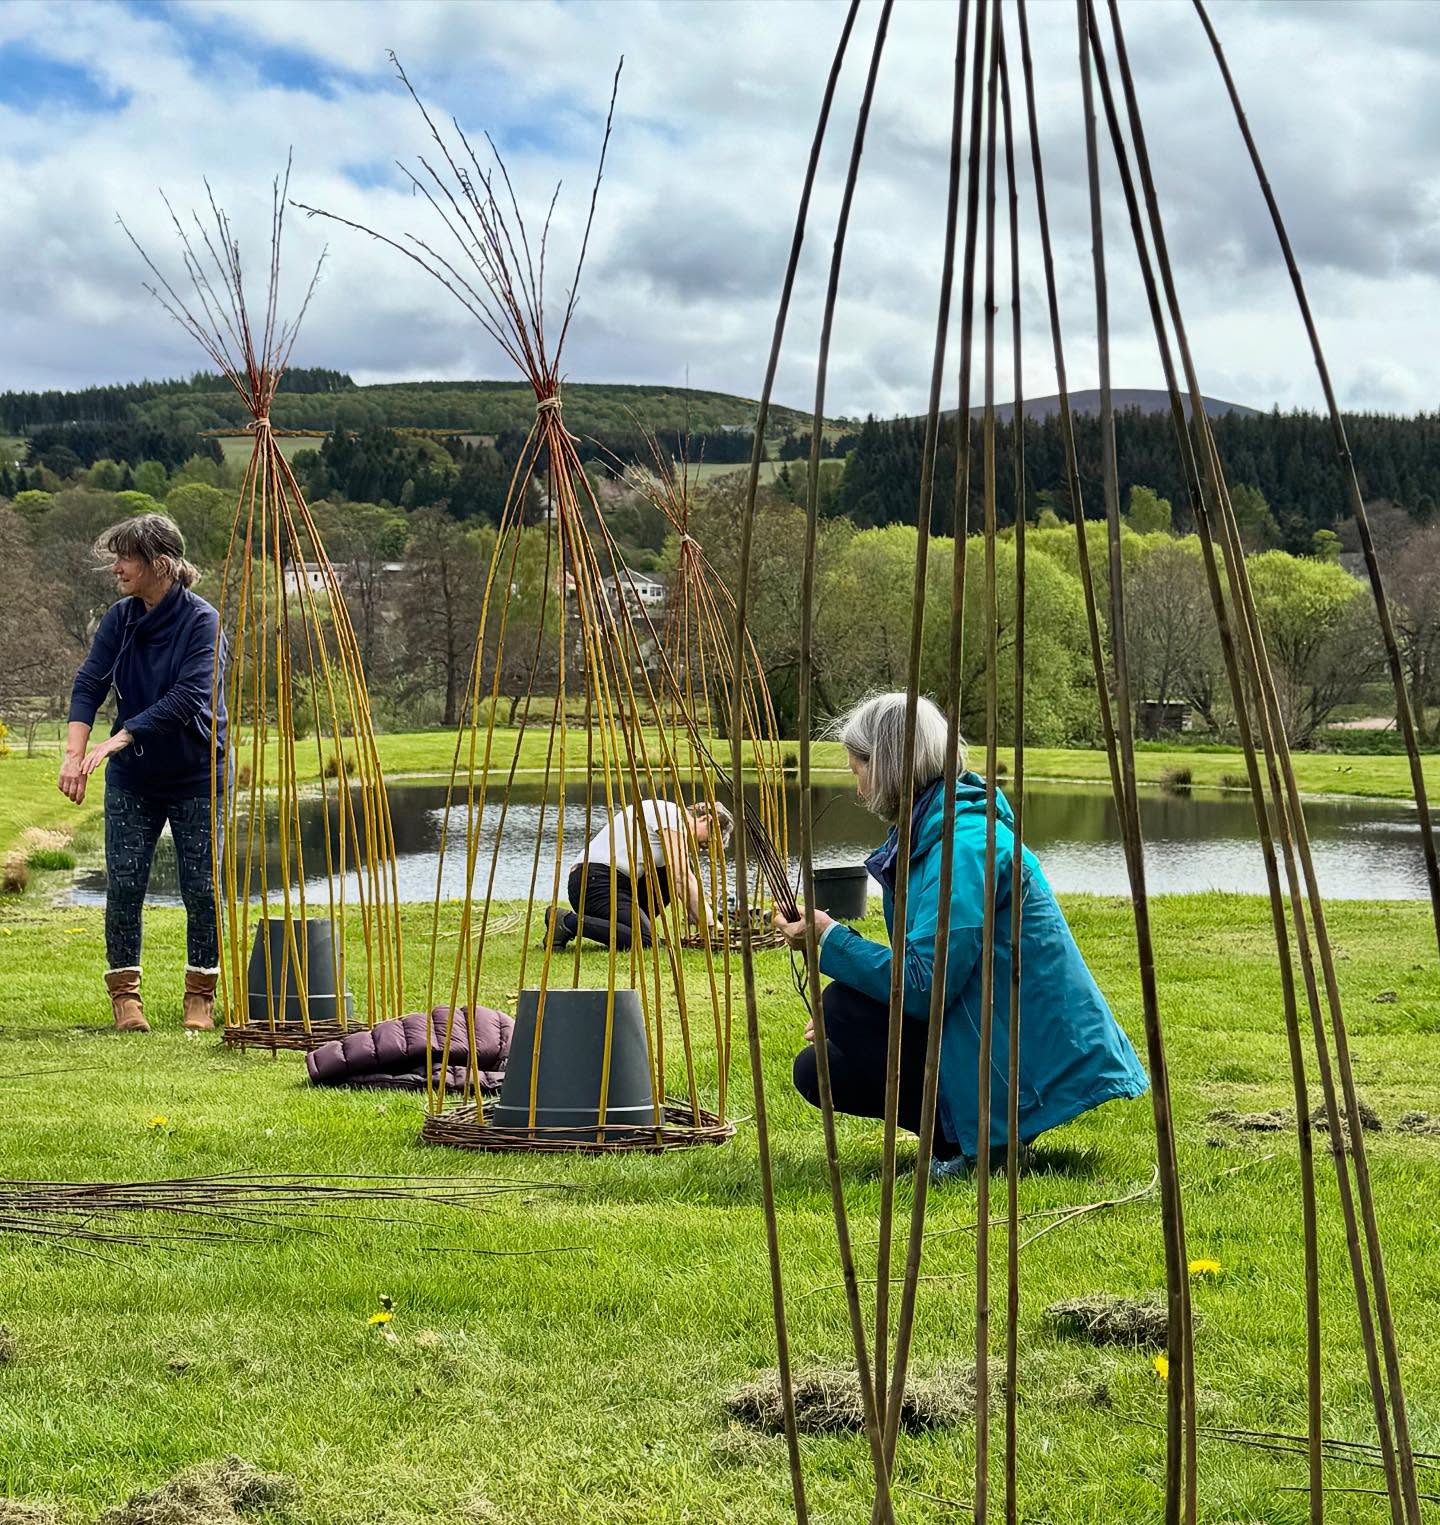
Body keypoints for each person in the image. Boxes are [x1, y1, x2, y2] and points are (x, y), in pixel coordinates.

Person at [775, 692, 1147, 1179]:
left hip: (1022, 1050)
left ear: (887, 765)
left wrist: (830, 939)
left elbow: (925, 983)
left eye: (858, 768)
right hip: (984, 1026)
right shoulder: (930, 833)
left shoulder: (963, 846)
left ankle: (977, 1144)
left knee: (843, 1009)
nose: (858, 785)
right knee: (817, 1068)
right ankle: (960, 1136)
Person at [60, 513, 228, 1034]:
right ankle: (126, 998)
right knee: (125, 885)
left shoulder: (204, 622)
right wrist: (74, 755)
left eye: (125, 557)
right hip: (135, 778)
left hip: (195, 773)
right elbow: (90, 682)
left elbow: (187, 698)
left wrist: (121, 736)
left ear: (161, 563)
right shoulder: (121, 617)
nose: (116, 568)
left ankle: (200, 992)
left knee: (201, 887)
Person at [549, 797, 733, 951]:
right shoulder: (672, 816)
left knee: (681, 867)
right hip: (594, 882)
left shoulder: (674, 828)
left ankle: (637, 926)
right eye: (706, 843)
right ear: (706, 819)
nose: (702, 849)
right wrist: (712, 925)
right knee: (645, 941)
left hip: (622, 884)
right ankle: (566, 921)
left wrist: (698, 914)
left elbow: (679, 877)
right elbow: (682, 878)